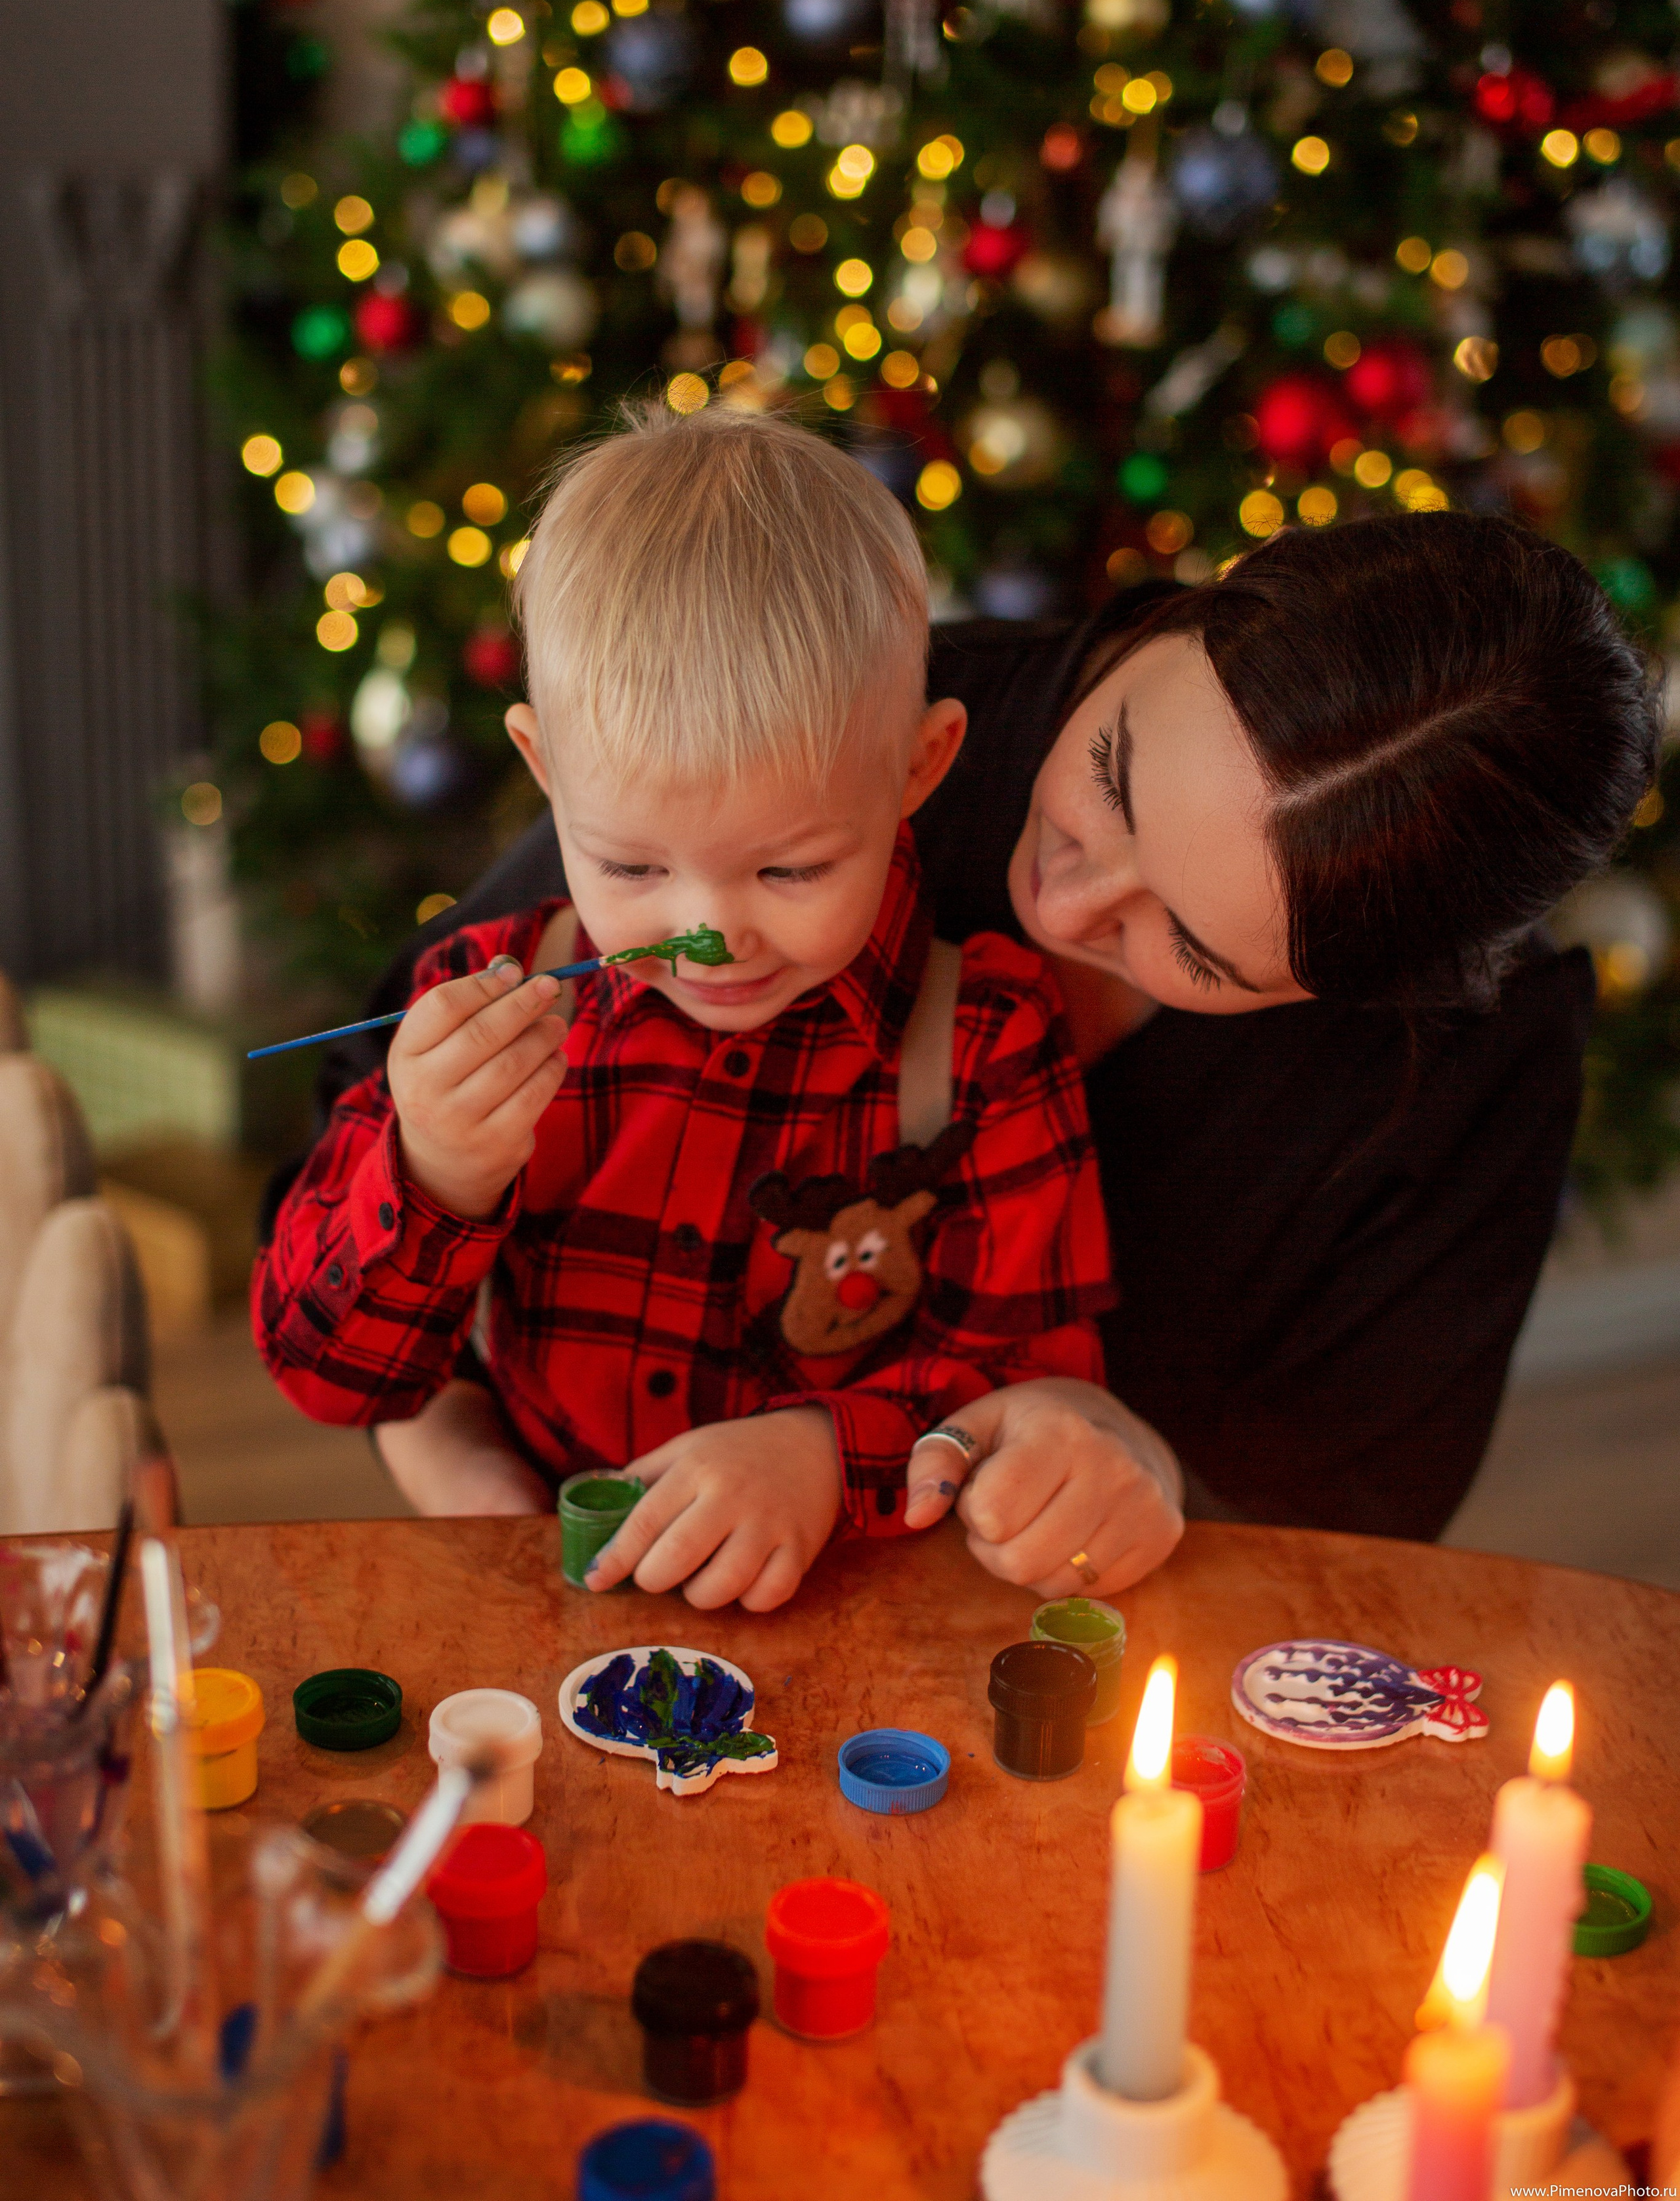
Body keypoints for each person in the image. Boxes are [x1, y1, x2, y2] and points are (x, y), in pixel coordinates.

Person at [293, 504, 1658, 1600]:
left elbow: (1337, 1537)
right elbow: (349, 1154)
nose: (1057, 911)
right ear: (1188, 611)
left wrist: (1118, 1473)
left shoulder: (1453, 1064)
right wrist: (481, 1488)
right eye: (1107, 781)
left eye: (1194, 950)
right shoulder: (832, 718)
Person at [253, 406, 1115, 1612]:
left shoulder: (987, 1039)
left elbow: (1038, 1384)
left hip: (859, 1620)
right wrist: (435, 1172)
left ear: (919, 769)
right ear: (545, 768)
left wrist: (827, 1454)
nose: (706, 934)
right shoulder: (486, 1009)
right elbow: (325, 1378)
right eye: (634, 869)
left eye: (790, 870)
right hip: (560, 1610)